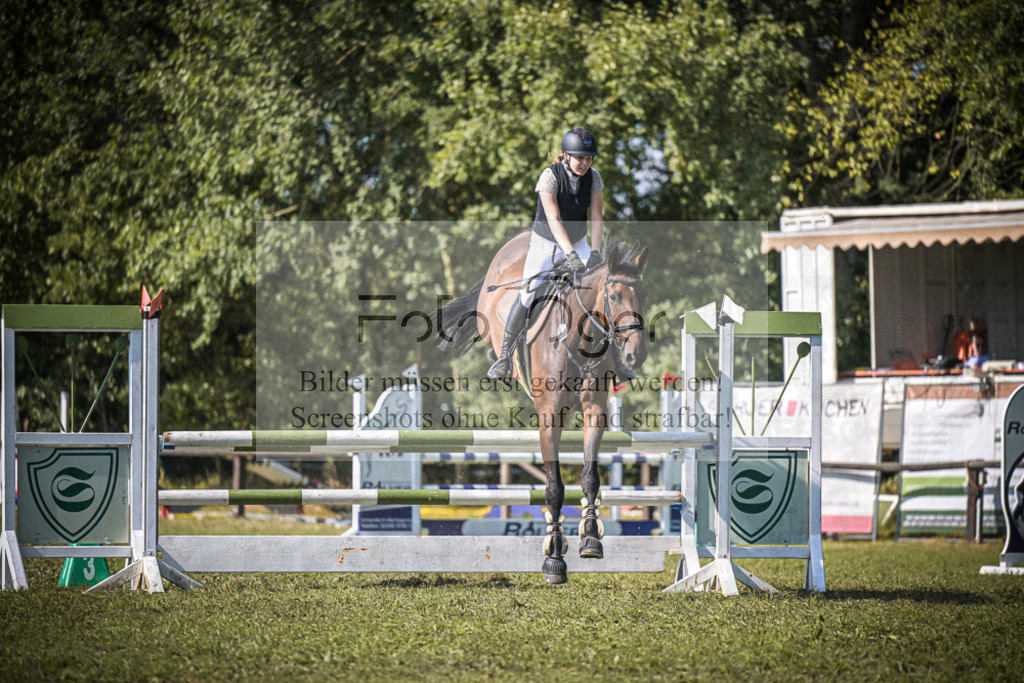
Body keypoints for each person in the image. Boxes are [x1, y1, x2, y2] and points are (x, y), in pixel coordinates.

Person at [488, 128, 634, 381]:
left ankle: (616, 362)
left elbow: (596, 217)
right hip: (546, 243)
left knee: (600, 291)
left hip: (578, 241)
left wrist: (595, 251)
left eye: (589, 158)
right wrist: (571, 255)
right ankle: (504, 358)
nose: (585, 163)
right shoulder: (549, 177)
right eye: (580, 158)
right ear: (566, 156)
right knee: (528, 292)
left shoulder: (594, 178)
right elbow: (554, 220)